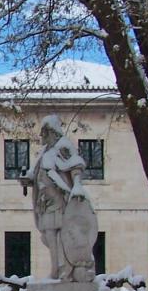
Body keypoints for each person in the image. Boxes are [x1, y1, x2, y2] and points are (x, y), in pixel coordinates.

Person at [19, 115, 96, 282]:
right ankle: (56, 269)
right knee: (49, 235)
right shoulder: (45, 152)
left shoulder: (63, 147)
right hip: (45, 203)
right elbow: (38, 173)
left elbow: (76, 166)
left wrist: (76, 185)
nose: (42, 137)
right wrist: (29, 180)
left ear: (51, 132)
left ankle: (62, 270)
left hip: (60, 202)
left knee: (62, 236)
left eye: (44, 133)